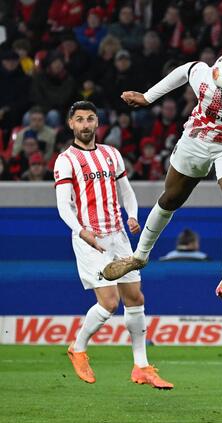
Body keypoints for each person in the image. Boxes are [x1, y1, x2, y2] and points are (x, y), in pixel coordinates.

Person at [101, 56, 222, 300]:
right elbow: (187, 69)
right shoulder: (206, 83)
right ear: (221, 94)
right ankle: (139, 257)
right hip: (198, 139)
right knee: (171, 199)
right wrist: (148, 97)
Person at [54, 101, 172, 389]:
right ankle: (78, 348)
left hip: (118, 236)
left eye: (90, 119)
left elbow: (126, 191)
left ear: (97, 122)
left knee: (135, 298)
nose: (85, 124)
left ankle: (141, 367)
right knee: (109, 302)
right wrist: (81, 231)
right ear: (71, 124)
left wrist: (132, 215)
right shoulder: (66, 160)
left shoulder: (111, 154)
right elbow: (63, 205)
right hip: (90, 239)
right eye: (79, 119)